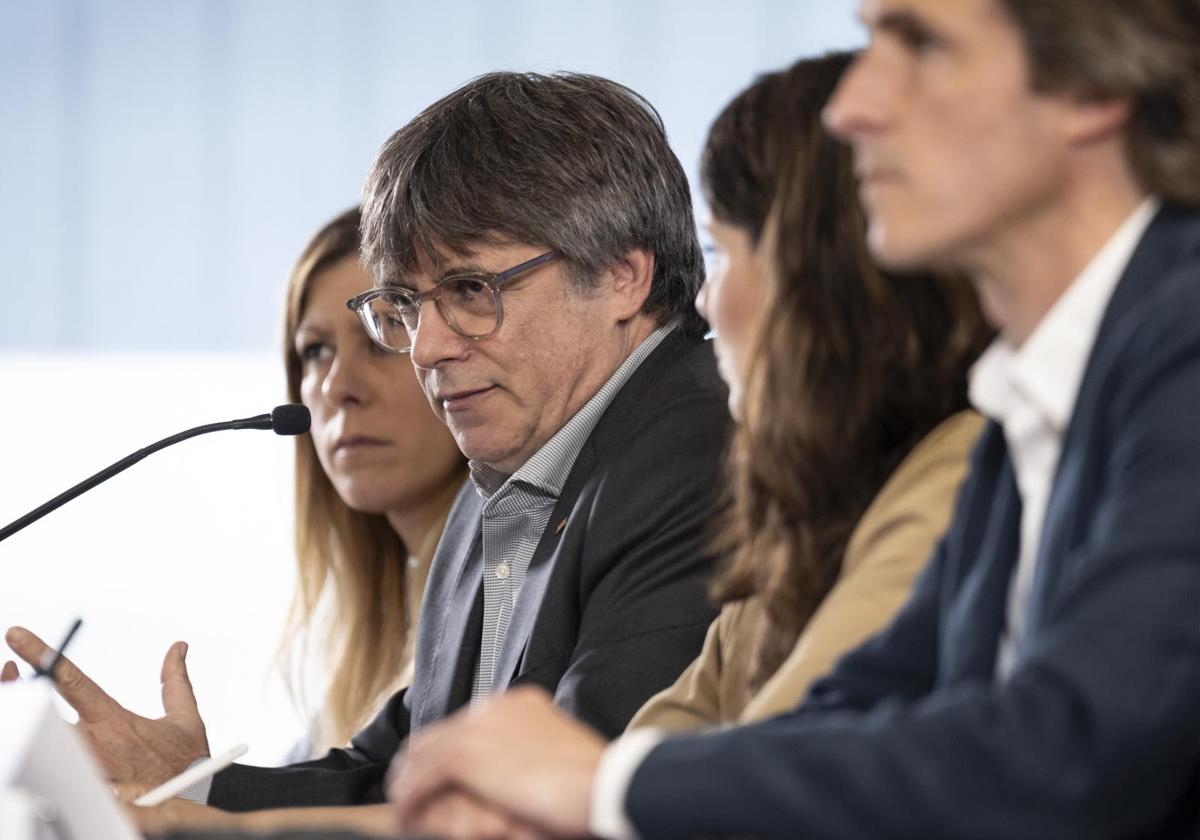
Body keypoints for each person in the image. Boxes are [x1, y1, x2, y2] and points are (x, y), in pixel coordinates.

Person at [386, 1, 1200, 837]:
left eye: (920, 41)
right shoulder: (1023, 401)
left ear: (1094, 85)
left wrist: (605, 791)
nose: (852, 106)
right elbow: (853, 705)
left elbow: (1071, 753)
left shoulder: (1180, 351)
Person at [4, 70, 729, 826]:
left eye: (472, 291)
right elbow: (392, 774)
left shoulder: (697, 454)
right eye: (408, 306)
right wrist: (189, 786)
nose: (426, 348)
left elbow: (562, 804)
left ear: (622, 275)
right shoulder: (504, 481)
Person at [628, 52, 989, 735]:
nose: (704, 302)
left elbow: (758, 777)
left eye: (724, 253)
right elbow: (646, 760)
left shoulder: (956, 478)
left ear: (813, 279)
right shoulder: (803, 508)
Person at [280, 206, 466, 758]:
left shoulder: (507, 605)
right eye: (315, 351)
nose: (338, 386)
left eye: (386, 329)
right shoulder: (360, 648)